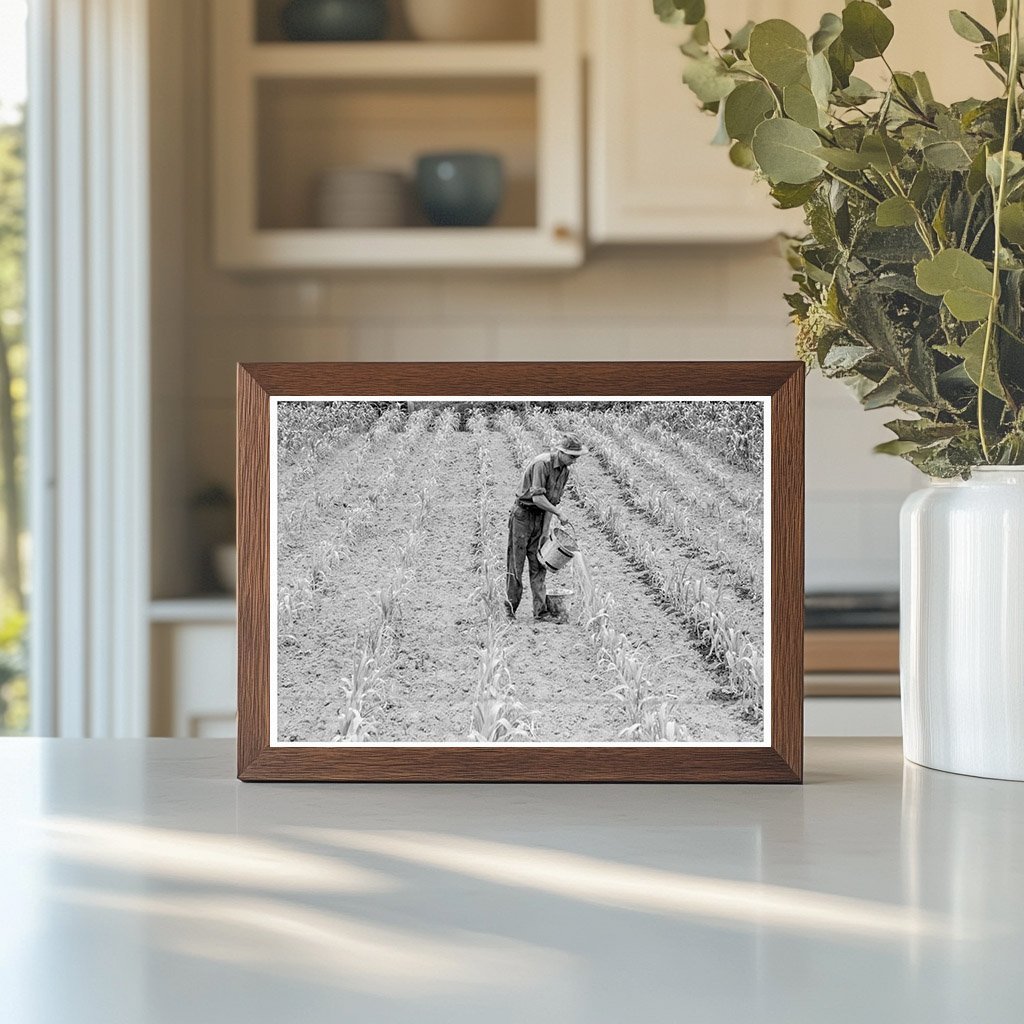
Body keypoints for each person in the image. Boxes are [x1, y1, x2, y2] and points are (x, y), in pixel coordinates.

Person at [505, 432, 587, 622]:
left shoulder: (564, 471)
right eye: (572, 456)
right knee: (516, 564)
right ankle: (509, 609)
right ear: (561, 452)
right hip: (522, 516)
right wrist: (558, 513)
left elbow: (551, 501)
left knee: (539, 564)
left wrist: (544, 531)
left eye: (577, 457)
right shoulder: (542, 464)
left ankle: (540, 612)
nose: (574, 460)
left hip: (540, 517)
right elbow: (537, 498)